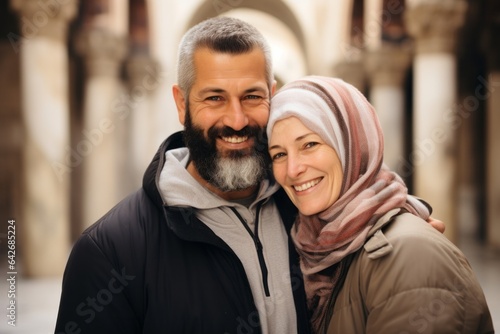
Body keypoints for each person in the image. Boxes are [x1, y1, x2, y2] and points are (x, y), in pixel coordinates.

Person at [55, 16, 443, 334]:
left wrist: (398, 218)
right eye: (214, 98)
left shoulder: (312, 210)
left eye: (252, 96)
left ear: (272, 95)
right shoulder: (109, 253)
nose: (237, 120)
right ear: (180, 103)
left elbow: (361, 203)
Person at [266, 75, 494, 334]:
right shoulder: (314, 247)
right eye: (279, 154)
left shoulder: (409, 256)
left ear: (352, 146)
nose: (293, 169)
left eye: (310, 144)